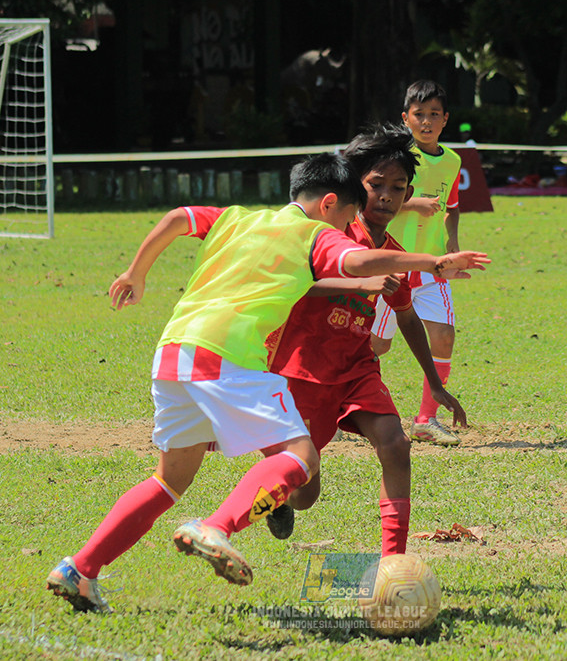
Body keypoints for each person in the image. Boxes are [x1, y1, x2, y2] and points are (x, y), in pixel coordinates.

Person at [45, 153, 490, 613]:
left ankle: (79, 568)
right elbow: (358, 261)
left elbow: (179, 217)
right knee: (301, 459)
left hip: (174, 353)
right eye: (344, 216)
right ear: (329, 204)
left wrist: (136, 272)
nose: (345, 226)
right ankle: (216, 526)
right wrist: (435, 260)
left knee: (168, 481)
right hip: (230, 359)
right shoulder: (316, 234)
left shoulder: (237, 217)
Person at [263, 123, 472, 556]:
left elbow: (407, 315)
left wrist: (434, 382)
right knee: (305, 493)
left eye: (398, 188)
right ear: (354, 187)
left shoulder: (392, 248)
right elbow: (299, 285)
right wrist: (363, 283)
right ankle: (276, 486)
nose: (387, 197)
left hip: (357, 368)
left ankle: (393, 562)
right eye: (377, 185)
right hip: (303, 370)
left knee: (395, 444)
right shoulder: (330, 236)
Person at [371, 79, 463, 446]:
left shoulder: (453, 161)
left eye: (434, 115)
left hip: (431, 267)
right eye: (419, 115)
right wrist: (411, 204)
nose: (427, 122)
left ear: (445, 120)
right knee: (376, 347)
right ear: (405, 118)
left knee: (443, 336)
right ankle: (349, 404)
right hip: (389, 264)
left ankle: (426, 419)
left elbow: (452, 206)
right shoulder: (396, 157)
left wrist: (452, 243)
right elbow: (372, 200)